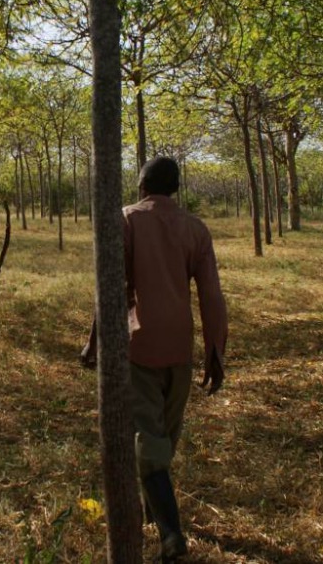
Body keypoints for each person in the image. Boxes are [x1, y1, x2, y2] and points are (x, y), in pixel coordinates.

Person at [81, 156, 228, 562]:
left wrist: (94, 339)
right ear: (176, 189)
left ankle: (171, 535)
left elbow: (110, 284)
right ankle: (154, 516)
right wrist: (215, 351)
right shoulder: (196, 229)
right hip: (180, 350)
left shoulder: (126, 219)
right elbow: (212, 294)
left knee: (149, 443)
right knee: (162, 438)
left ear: (142, 185)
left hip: (138, 347)